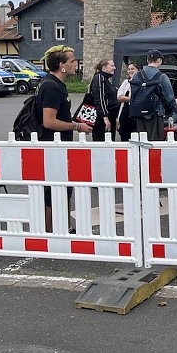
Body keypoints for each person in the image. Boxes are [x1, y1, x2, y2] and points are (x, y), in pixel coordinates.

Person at [37, 45, 92, 232]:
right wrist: (77, 126)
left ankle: (64, 227)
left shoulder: (54, 84)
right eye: (72, 60)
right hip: (54, 146)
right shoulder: (52, 87)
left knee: (62, 188)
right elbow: (49, 121)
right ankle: (51, 231)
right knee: (54, 190)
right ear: (61, 65)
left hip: (59, 145)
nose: (75, 63)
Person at [131, 49, 175, 142]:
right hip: (156, 113)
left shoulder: (136, 76)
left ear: (147, 60)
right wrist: (171, 110)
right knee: (155, 141)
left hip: (138, 113)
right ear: (159, 60)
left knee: (141, 141)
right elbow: (169, 97)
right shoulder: (162, 77)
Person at [88, 58, 119, 141]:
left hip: (110, 117)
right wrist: (105, 117)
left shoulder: (105, 80)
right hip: (102, 120)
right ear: (104, 68)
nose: (114, 68)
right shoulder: (99, 78)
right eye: (112, 65)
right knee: (102, 142)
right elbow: (100, 99)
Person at [115, 62, 138, 142]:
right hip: (125, 113)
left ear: (138, 70)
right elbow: (119, 97)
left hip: (137, 115)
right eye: (129, 69)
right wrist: (131, 99)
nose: (130, 71)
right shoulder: (126, 82)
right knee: (124, 137)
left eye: (132, 69)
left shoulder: (141, 83)